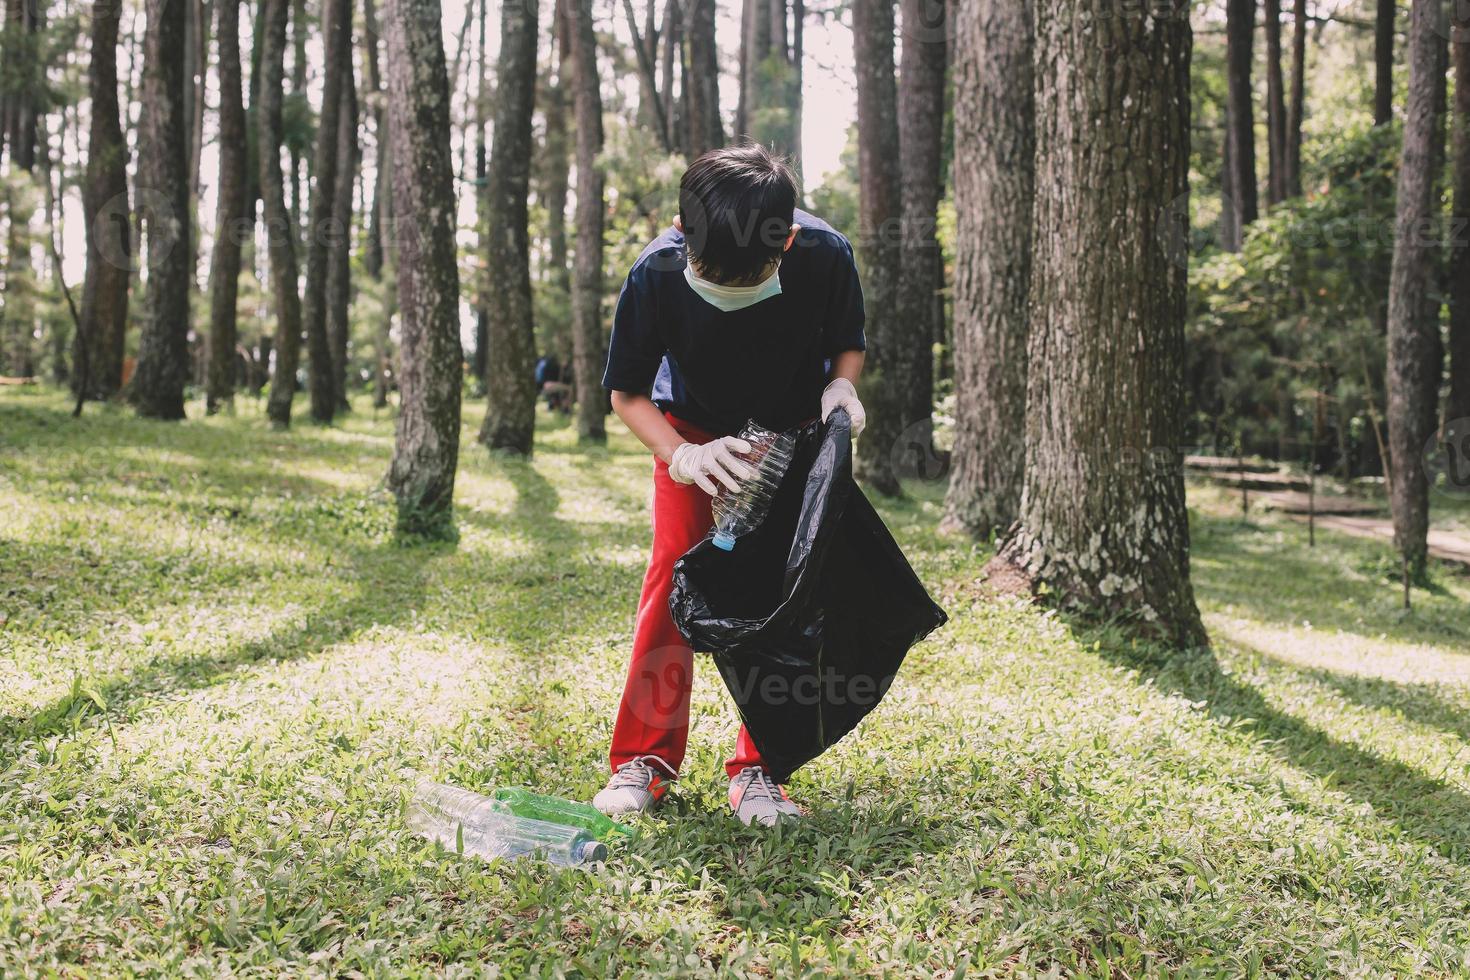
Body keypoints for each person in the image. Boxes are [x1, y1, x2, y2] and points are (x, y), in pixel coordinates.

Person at [593, 143, 868, 827]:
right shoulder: (656, 272)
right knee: (675, 581)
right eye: (712, 275)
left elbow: (848, 342)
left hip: (794, 432)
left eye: (752, 276)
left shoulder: (827, 256)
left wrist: (842, 385)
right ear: (682, 235)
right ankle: (644, 761)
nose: (732, 290)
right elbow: (627, 392)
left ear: (790, 241)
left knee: (783, 592)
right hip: (690, 432)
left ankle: (760, 772)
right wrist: (681, 456)